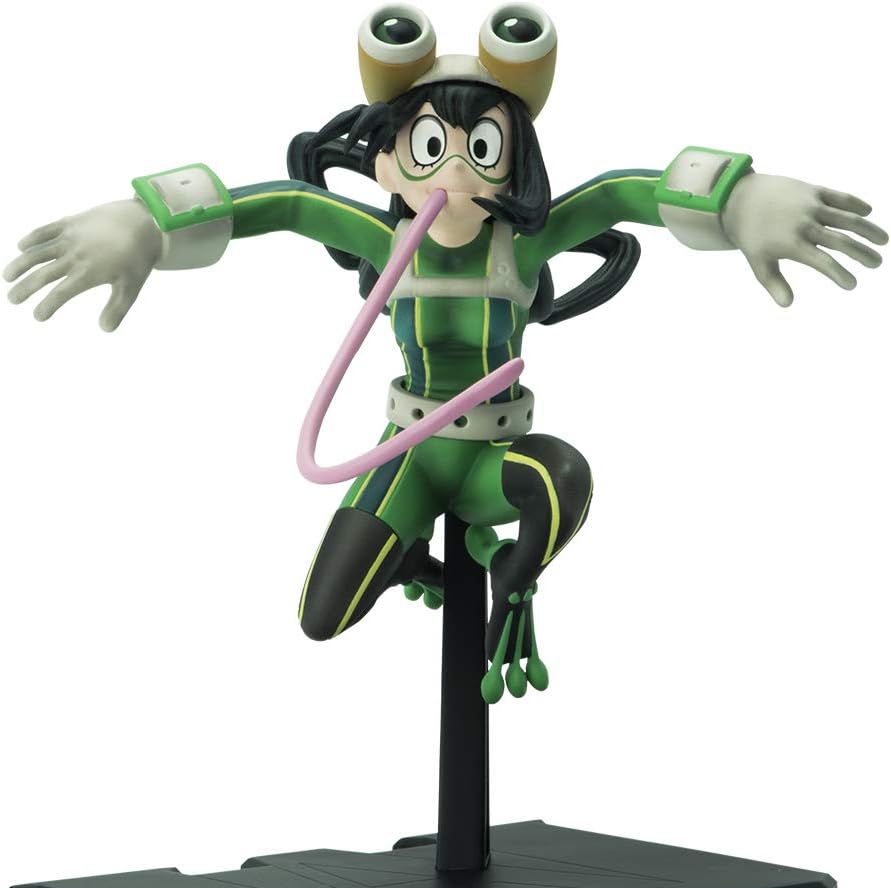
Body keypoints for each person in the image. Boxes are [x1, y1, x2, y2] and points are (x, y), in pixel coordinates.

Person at [4, 4, 886, 703]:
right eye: (429, 149)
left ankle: (514, 581)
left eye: (480, 150)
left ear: (515, 164)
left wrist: (738, 198)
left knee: (563, 476)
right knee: (322, 614)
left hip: (497, 457)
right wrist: (142, 221)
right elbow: (272, 205)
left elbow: (628, 193)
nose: (454, 173)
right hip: (411, 454)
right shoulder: (376, 235)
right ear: (388, 160)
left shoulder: (524, 243)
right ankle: (414, 561)